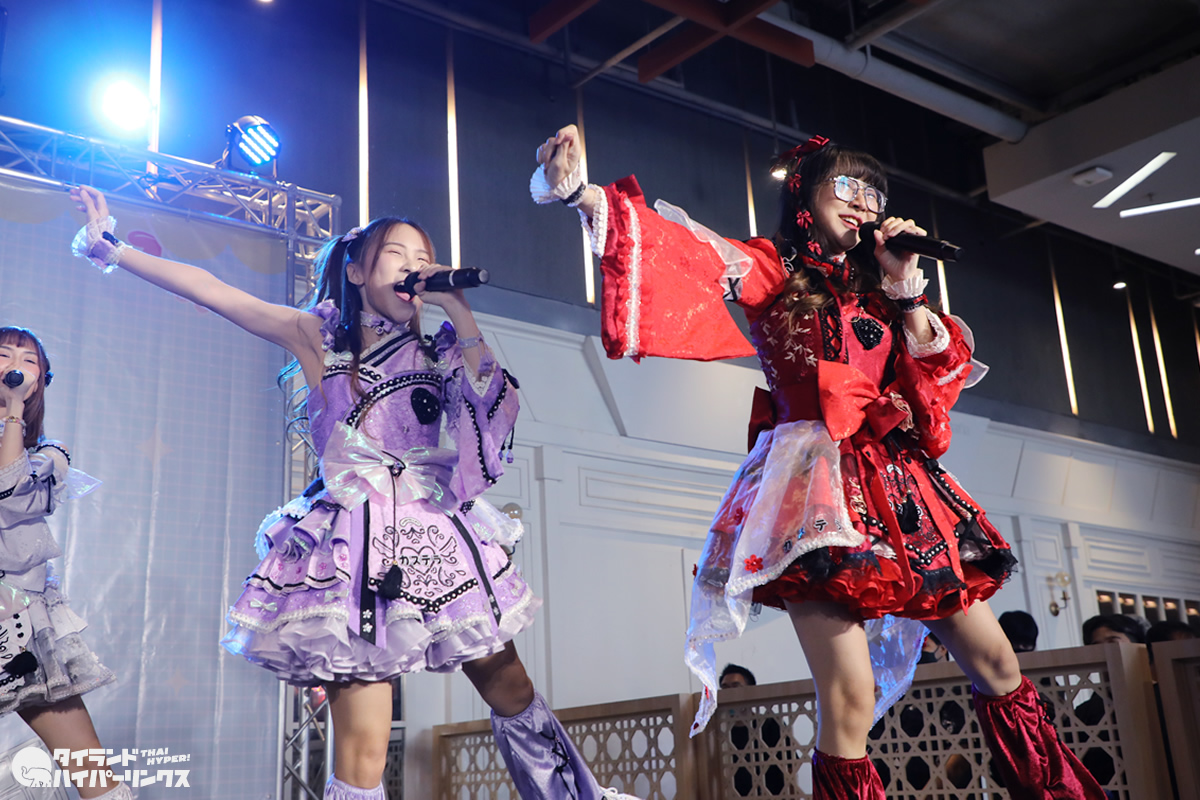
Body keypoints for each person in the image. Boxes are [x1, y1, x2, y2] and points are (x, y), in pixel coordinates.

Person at [533, 126, 1105, 799]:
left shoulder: (883, 289)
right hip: (814, 494)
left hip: (901, 492)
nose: (864, 204)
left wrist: (905, 286)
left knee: (998, 662)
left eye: (875, 195)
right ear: (805, 193)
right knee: (849, 699)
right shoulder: (774, 269)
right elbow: (693, 252)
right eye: (849, 187)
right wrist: (582, 196)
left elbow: (936, 375)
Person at [69, 187, 636, 800]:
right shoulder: (320, 337)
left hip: (434, 530)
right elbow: (215, 291)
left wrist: (458, 307)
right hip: (355, 548)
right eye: (397, 254)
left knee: (512, 688)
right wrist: (112, 247)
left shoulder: (439, 348)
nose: (413, 266)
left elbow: (491, 409)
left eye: (423, 258)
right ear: (358, 271)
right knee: (364, 748)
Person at [0, 326, 128, 799]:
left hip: (15, 617)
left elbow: (9, 491)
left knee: (93, 775)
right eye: (3, 355)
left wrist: (13, 411)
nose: (14, 365)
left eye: (28, 360)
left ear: (41, 381)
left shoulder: (48, 457)